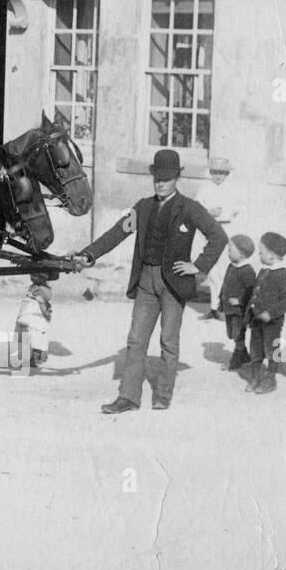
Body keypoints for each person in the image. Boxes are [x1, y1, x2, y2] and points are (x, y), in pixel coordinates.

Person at [72, 149, 227, 413]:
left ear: (177, 178)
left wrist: (198, 267)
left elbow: (218, 237)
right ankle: (128, 397)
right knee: (135, 339)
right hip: (146, 281)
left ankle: (163, 395)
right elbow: (116, 233)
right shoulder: (143, 207)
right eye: (157, 177)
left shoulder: (190, 208)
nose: (160, 183)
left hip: (174, 284)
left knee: (168, 340)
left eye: (166, 179)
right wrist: (89, 254)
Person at [244, 232, 286, 395]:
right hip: (257, 319)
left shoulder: (283, 275)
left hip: (272, 321)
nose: (259, 255)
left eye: (261, 252)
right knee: (256, 349)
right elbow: (255, 294)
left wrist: (270, 313)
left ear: (272, 255)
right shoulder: (263, 271)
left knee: (275, 348)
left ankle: (271, 378)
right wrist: (250, 313)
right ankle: (256, 377)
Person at [198, 157, 247, 320]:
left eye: (221, 172)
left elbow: (240, 208)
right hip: (211, 229)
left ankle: (224, 307)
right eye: (214, 172)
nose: (217, 176)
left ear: (226, 173)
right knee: (212, 270)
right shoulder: (205, 189)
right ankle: (213, 308)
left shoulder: (233, 189)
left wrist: (228, 212)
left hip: (227, 229)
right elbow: (196, 209)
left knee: (225, 268)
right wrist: (208, 212)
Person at [219, 234, 258, 372]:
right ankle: (245, 355)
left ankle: (236, 360)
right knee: (233, 333)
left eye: (230, 249)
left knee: (238, 334)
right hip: (229, 309)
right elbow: (225, 285)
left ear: (241, 254)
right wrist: (220, 302)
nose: (228, 252)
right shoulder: (231, 267)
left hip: (239, 311)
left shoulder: (247, 271)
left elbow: (251, 291)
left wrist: (240, 300)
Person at [13, 272, 53, 369]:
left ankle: (32, 360)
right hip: (29, 314)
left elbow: (42, 303)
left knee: (32, 337)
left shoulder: (41, 290)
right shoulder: (36, 287)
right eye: (32, 276)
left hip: (32, 315)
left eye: (35, 276)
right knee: (33, 337)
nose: (32, 278)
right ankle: (31, 359)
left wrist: (46, 314)